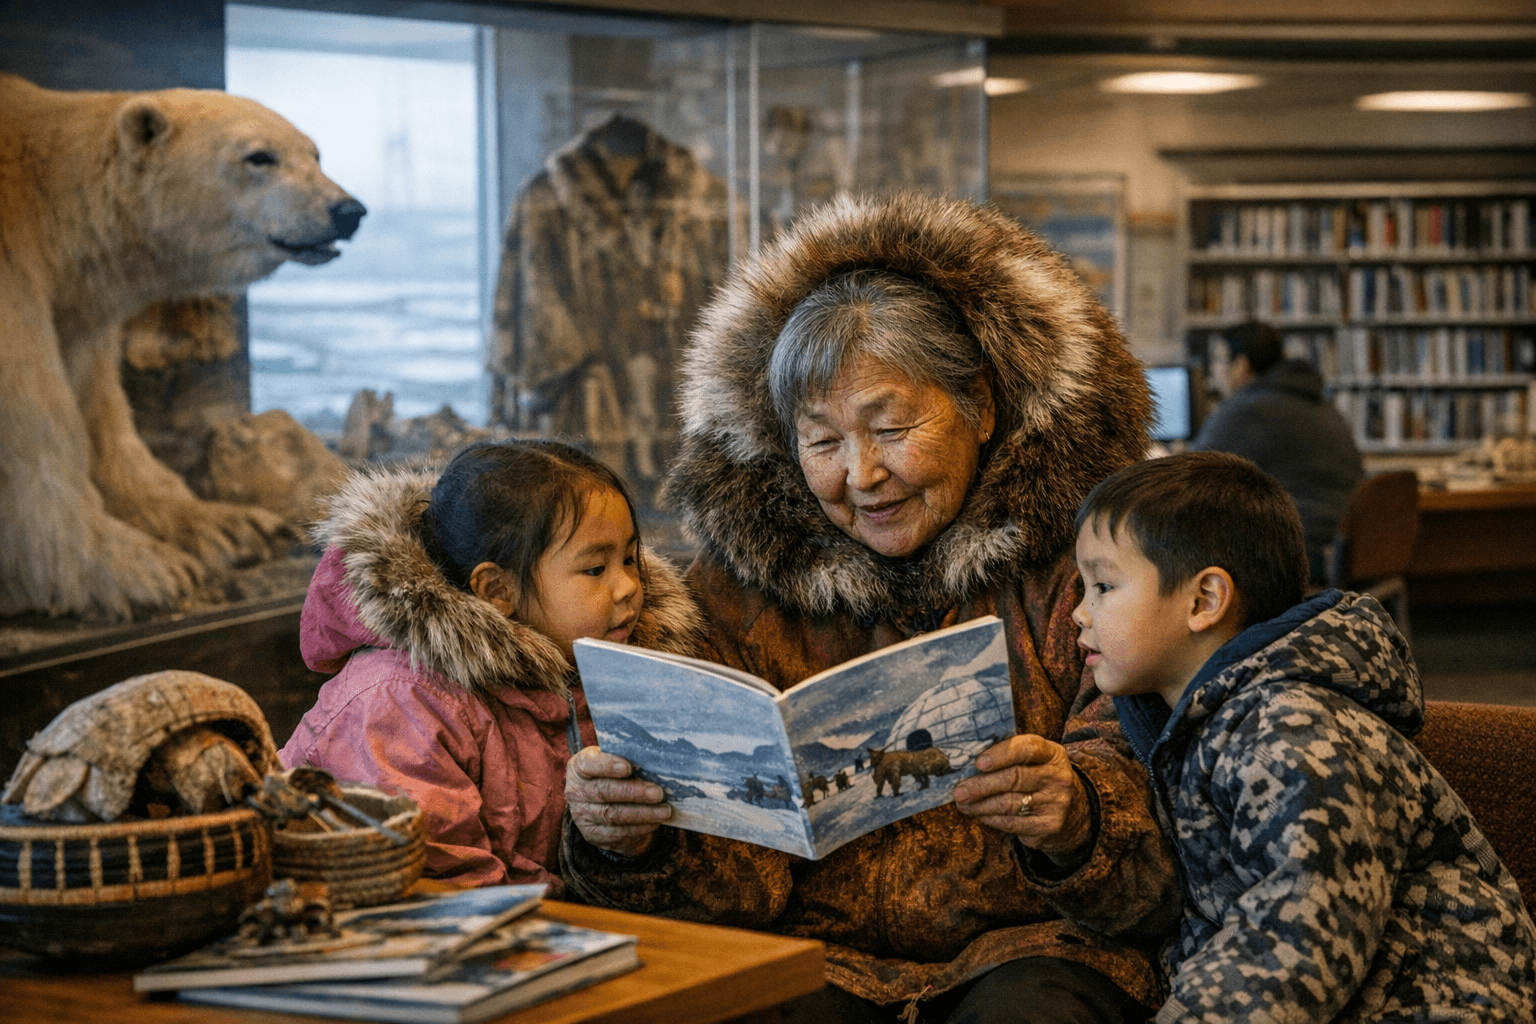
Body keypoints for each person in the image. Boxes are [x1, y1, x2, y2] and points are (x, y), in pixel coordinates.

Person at [561, 193, 1181, 1023]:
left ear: (982, 407)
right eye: (822, 441)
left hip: (1039, 945)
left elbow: (1163, 852)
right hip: (820, 958)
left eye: (890, 429)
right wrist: (628, 839)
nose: (861, 475)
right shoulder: (735, 589)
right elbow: (728, 893)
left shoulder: (1087, 568)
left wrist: (1078, 816)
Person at [1072, 450, 1536, 1022]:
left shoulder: (1290, 728)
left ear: (1204, 601)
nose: (1080, 613)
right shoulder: (1195, 726)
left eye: (1102, 586)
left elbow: (1300, 936)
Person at [280, 439, 701, 892]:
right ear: (498, 591)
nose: (629, 587)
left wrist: (621, 845)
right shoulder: (402, 702)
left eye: (629, 559)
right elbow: (442, 888)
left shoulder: (596, 665)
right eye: (596, 569)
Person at [1188, 320, 1364, 585]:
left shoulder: (1248, 408)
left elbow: (1187, 476)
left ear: (1241, 366)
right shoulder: (1318, 402)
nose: (1214, 371)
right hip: (1346, 544)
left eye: (1218, 361)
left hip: (1301, 550)